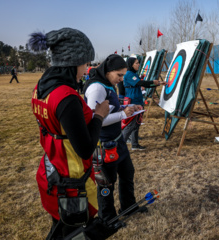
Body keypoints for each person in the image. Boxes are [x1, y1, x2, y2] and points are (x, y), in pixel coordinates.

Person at [29, 27, 119, 240]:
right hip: (70, 182)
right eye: (85, 63)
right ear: (72, 62)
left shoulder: (42, 87)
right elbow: (85, 148)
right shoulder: (66, 97)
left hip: (53, 171)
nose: (87, 69)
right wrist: (99, 115)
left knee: (62, 229)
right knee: (75, 234)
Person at [83, 54, 147, 225]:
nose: (121, 79)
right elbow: (94, 119)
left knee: (127, 173)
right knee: (106, 183)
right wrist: (122, 114)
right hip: (104, 145)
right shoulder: (97, 88)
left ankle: (128, 206)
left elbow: (110, 108)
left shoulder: (107, 83)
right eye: (119, 75)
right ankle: (108, 218)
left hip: (116, 140)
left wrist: (128, 108)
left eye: (123, 75)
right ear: (108, 71)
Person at [122, 57, 166, 150]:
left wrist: (158, 83)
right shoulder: (129, 74)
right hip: (133, 102)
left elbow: (143, 83)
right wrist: (154, 82)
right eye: (136, 63)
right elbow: (140, 83)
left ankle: (135, 144)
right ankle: (119, 146)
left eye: (138, 63)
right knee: (131, 125)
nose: (138, 65)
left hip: (138, 101)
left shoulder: (134, 74)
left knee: (137, 123)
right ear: (131, 64)